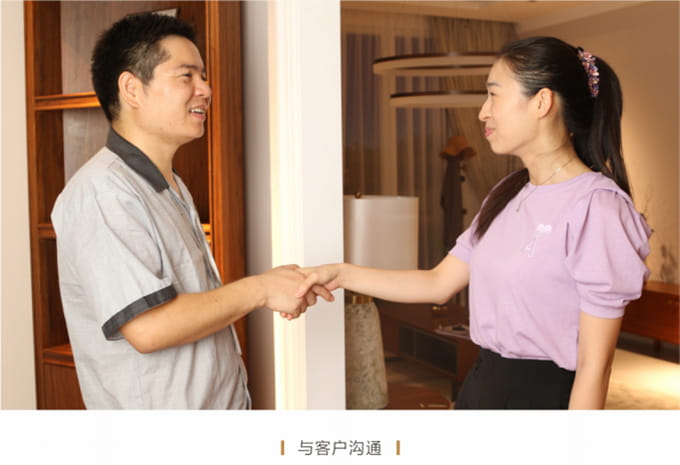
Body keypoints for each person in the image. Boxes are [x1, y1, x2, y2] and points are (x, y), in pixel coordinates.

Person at [297, 36, 652, 409]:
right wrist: (339, 274)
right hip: (481, 387)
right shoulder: (508, 192)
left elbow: (594, 368)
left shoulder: (597, 207)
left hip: (541, 402)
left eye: (494, 95)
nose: (483, 112)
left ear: (542, 102)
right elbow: (437, 282)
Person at [51, 12, 331, 409]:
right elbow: (148, 327)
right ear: (132, 89)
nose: (205, 89)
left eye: (204, 77)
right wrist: (260, 289)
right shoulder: (101, 193)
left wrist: (273, 284)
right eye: (186, 76)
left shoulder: (170, 185)